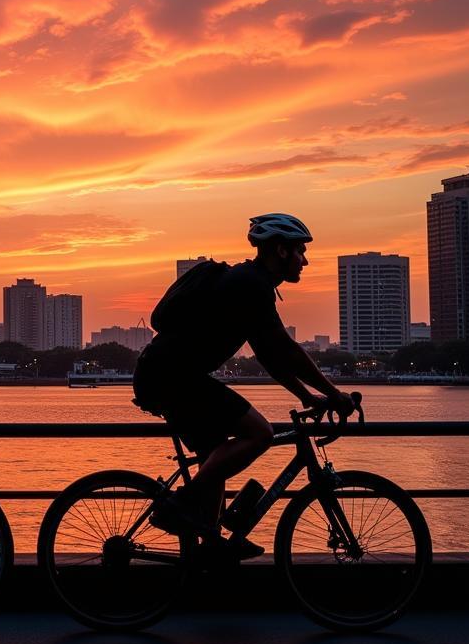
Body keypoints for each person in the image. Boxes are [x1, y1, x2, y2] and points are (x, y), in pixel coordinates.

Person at [133, 213, 355, 560]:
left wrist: (306, 396)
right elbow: (286, 348)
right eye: (300, 251)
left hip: (170, 375)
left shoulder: (248, 282)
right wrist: (333, 394)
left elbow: (269, 355)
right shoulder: (251, 284)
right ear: (280, 250)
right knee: (260, 433)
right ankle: (180, 504)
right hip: (173, 377)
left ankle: (211, 542)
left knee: (215, 455)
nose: (305, 260)